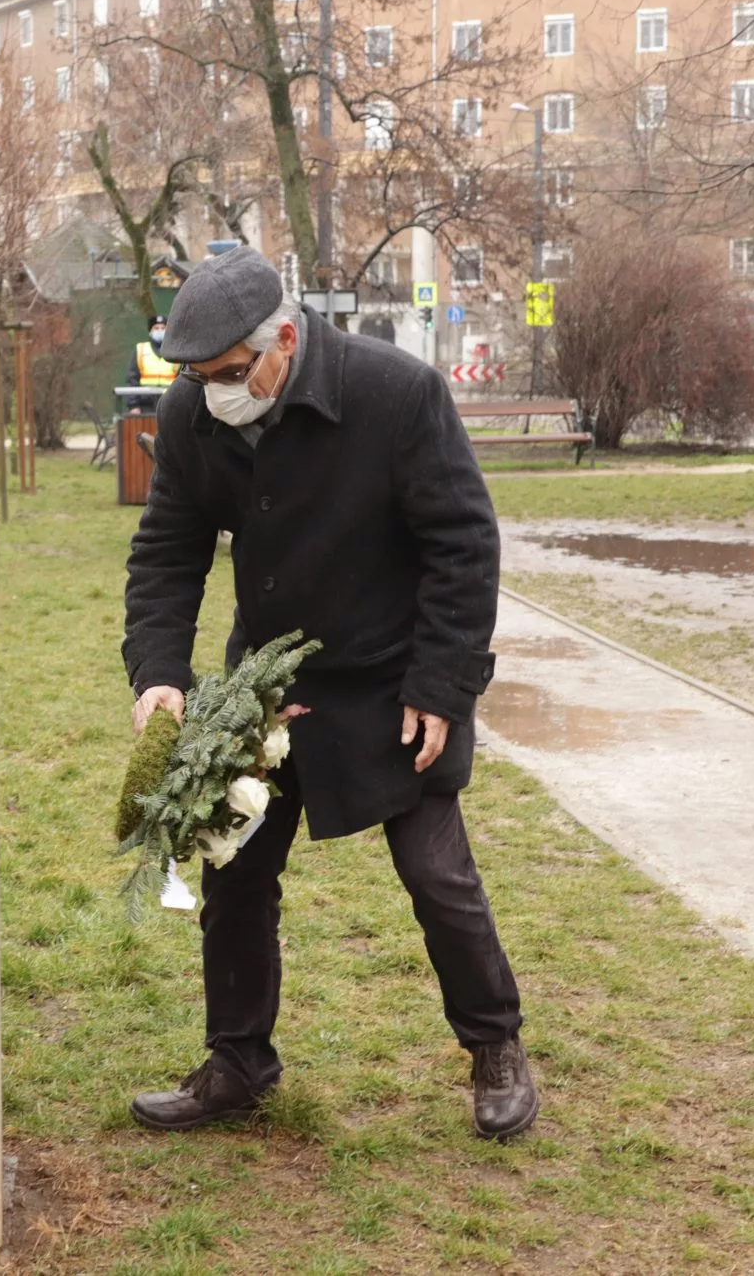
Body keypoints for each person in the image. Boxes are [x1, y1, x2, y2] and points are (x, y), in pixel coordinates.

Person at [121, 246, 535, 1140]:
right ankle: (238, 1062)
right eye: (197, 376)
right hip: (267, 687)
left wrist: (441, 685)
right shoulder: (194, 412)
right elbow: (167, 551)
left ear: (283, 339)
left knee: (436, 873)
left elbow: (463, 544)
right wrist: (159, 675)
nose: (215, 392)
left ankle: (495, 1045)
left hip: (394, 680)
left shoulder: (396, 393)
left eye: (230, 373)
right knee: (235, 871)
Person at [132, 315, 177, 389]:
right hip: (145, 395)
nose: (160, 331)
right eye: (156, 328)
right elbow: (132, 378)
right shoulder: (141, 349)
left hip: (170, 395)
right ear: (150, 331)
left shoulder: (175, 351)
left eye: (163, 328)